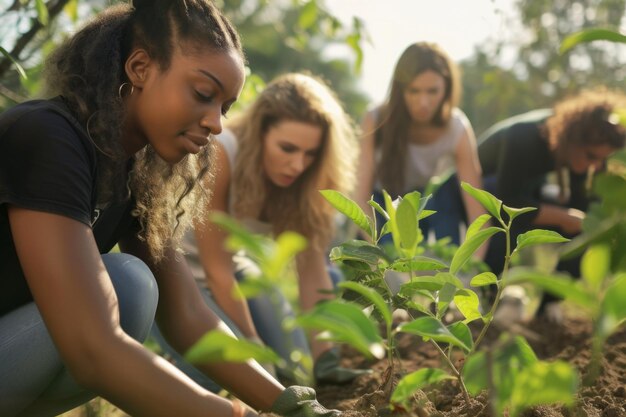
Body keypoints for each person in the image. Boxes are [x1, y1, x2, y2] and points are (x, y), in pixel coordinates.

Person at [0, 2, 340, 416]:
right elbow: (92, 348)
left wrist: (290, 405)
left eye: (225, 107)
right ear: (140, 67)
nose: (216, 123)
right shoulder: (49, 137)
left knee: (134, 289)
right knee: (127, 282)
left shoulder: (134, 170)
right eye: (203, 94)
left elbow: (189, 315)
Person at [176, 72, 367, 385]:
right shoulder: (223, 152)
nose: (298, 165)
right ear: (259, 133)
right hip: (178, 271)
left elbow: (312, 271)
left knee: (297, 373)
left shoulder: (305, 181)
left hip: (235, 268)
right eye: (287, 148)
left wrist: (325, 356)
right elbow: (216, 272)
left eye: (311, 154)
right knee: (226, 368)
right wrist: (255, 350)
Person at [478, 89, 626, 315]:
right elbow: (507, 201)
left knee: (584, 229)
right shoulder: (525, 136)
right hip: (484, 193)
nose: (596, 167)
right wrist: (562, 217)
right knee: (505, 229)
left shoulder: (576, 154)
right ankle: (491, 300)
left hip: (524, 194)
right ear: (573, 140)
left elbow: (582, 208)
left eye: (603, 159)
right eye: (592, 157)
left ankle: (549, 305)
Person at [355, 41, 486, 249]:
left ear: (447, 88)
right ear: (400, 90)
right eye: (414, 91)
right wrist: (380, 254)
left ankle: (450, 270)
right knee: (394, 257)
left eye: (432, 91)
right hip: (380, 206)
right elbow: (359, 197)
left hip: (423, 203)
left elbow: (478, 213)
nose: (423, 102)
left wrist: (470, 273)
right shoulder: (376, 118)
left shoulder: (457, 128)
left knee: (446, 196)